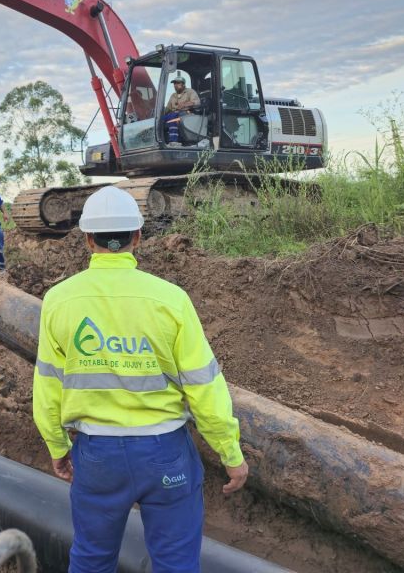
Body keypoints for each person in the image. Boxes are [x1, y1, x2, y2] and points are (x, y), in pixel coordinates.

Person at [32, 186, 248, 573]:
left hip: (97, 456)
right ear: (137, 237)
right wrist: (230, 454)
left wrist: (57, 445)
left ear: (87, 239)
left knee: (91, 560)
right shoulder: (170, 299)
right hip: (165, 453)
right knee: (176, 564)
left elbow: (48, 384)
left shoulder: (58, 300)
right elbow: (204, 388)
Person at [163, 76, 201, 146]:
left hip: (186, 114)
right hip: (173, 114)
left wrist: (184, 104)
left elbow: (197, 103)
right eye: (174, 83)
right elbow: (168, 109)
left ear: (183, 84)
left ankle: (174, 141)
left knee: (173, 118)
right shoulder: (173, 95)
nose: (175, 85)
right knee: (160, 120)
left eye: (177, 83)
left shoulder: (190, 92)